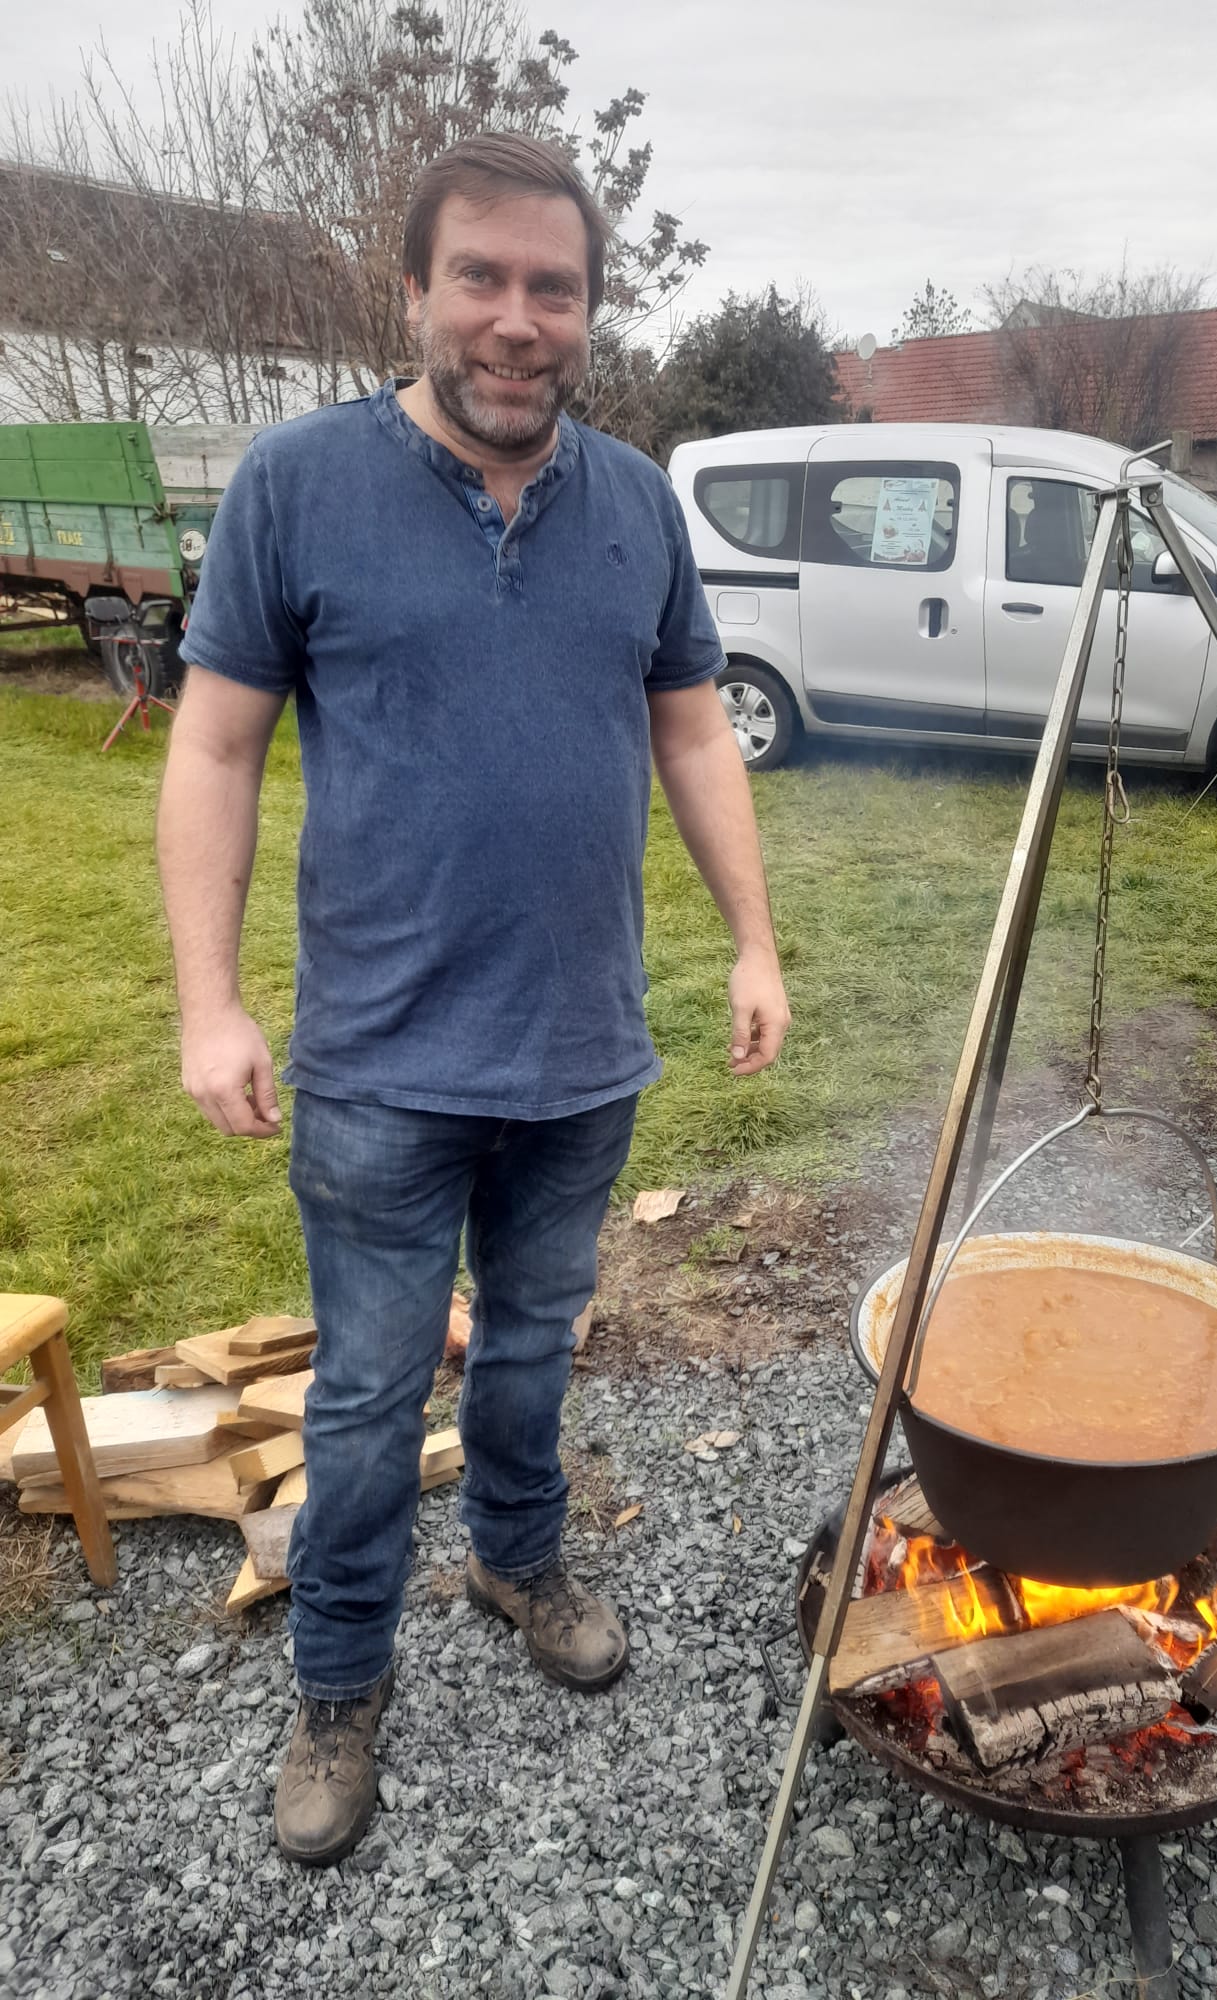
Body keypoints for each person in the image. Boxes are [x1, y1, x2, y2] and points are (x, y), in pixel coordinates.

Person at [156, 131, 791, 1868]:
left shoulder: (637, 501)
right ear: (416, 291)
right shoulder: (297, 483)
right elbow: (214, 750)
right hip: (379, 1061)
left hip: (583, 1050)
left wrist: (753, 940)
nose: (519, 320)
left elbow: (690, 731)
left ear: (588, 309)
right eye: (483, 279)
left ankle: (518, 1559)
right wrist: (211, 1004)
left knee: (528, 1348)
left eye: (554, 288)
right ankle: (339, 1677)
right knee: (367, 1399)